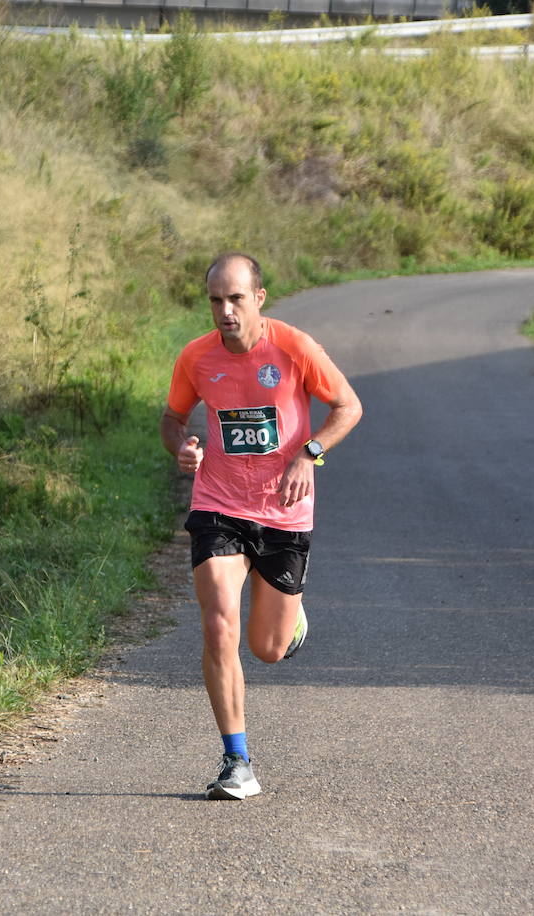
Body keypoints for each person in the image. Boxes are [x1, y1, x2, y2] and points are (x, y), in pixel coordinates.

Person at [160, 252, 363, 800]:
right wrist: (182, 447)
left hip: (284, 511)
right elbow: (173, 416)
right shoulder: (196, 358)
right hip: (219, 504)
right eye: (215, 301)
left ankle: (290, 619)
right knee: (219, 621)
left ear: (259, 299)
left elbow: (348, 407)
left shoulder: (295, 347)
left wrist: (310, 453)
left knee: (267, 648)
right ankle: (237, 761)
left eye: (235, 299)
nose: (224, 311)